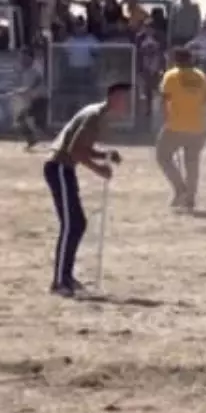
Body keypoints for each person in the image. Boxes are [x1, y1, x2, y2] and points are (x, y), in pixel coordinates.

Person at [44, 82, 128, 298]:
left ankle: (66, 276)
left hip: (64, 168)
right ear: (114, 98)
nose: (126, 104)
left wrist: (103, 154)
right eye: (124, 99)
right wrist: (98, 168)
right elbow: (74, 150)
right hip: (60, 167)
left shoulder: (96, 113)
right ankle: (60, 281)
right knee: (72, 224)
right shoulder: (94, 117)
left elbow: (82, 147)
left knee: (77, 223)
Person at [158, 48, 206, 211]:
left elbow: (164, 100)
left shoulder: (171, 75)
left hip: (175, 125)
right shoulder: (202, 76)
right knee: (192, 163)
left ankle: (180, 188)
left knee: (163, 156)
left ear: (175, 60)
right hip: (198, 126)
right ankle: (190, 198)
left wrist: (166, 120)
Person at [10, 49, 48, 149]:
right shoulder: (24, 70)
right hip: (33, 100)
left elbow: (38, 80)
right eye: (21, 57)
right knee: (20, 120)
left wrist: (27, 89)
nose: (22, 60)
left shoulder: (36, 66)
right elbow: (25, 86)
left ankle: (36, 140)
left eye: (24, 57)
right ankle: (32, 140)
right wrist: (19, 91)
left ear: (30, 58)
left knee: (35, 124)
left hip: (40, 99)